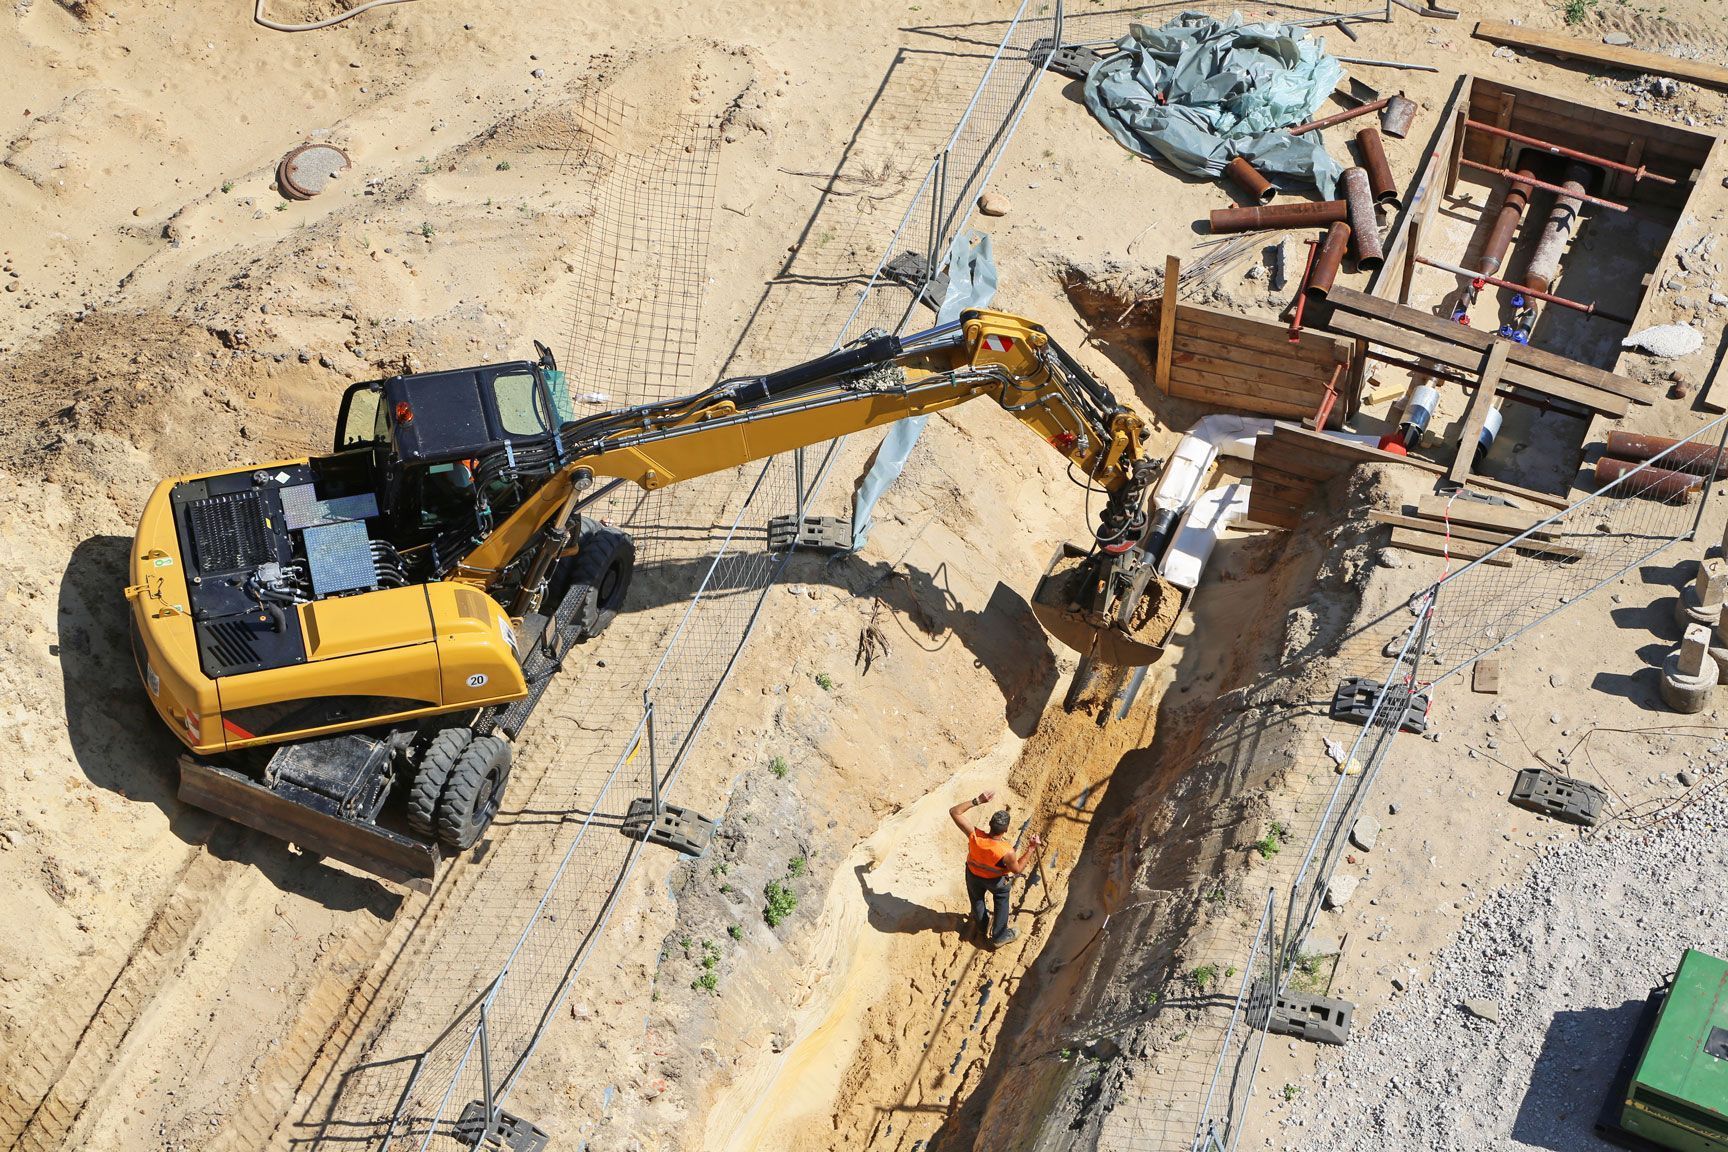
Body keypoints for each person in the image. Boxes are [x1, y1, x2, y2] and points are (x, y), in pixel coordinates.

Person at [949, 789, 1042, 948]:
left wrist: (977, 800)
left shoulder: (975, 836)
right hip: (996, 881)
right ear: (1005, 830)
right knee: (1001, 901)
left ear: (990, 825)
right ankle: (999, 935)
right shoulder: (1006, 852)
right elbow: (1017, 869)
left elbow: (954, 812)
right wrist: (1031, 849)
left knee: (977, 901)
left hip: (973, 875)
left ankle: (981, 927)